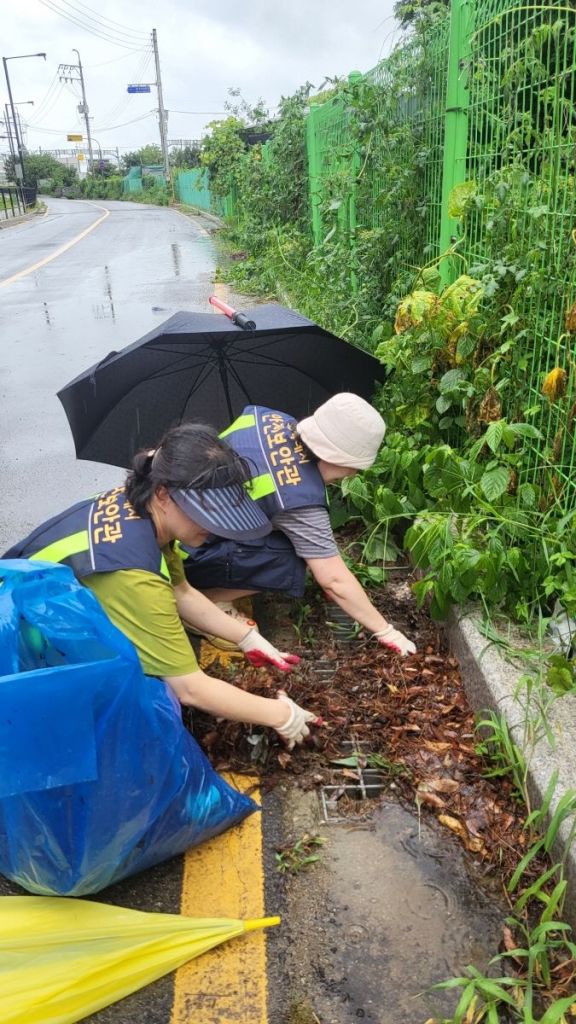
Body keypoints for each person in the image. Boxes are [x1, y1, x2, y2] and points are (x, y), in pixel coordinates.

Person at [2, 423, 320, 750]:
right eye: (204, 512)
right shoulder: (133, 574)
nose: (214, 526)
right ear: (164, 494)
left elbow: (181, 592)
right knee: (156, 701)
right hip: (19, 651)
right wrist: (281, 715)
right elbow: (190, 688)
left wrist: (246, 637)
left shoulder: (138, 508)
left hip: (33, 608)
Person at [183, 393, 416, 656]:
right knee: (292, 558)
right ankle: (206, 602)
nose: (351, 474)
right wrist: (386, 631)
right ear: (341, 460)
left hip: (184, 520)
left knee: (294, 541)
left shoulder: (270, 418)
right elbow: (334, 580)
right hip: (190, 553)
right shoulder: (299, 499)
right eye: (354, 468)